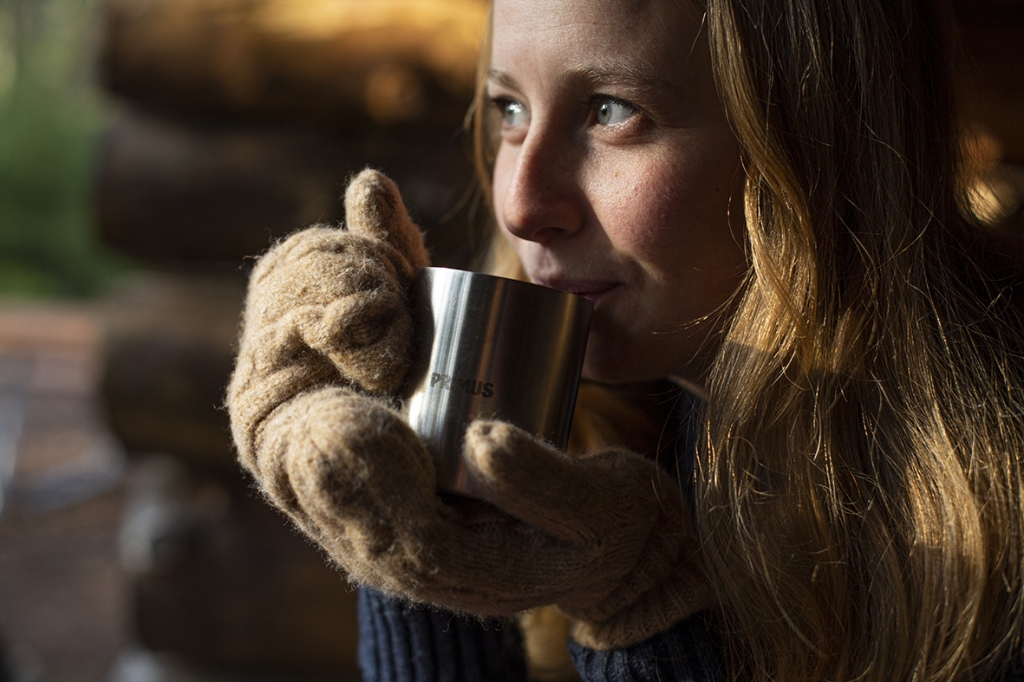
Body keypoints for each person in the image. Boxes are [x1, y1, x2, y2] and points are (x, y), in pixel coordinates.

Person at [226, 0, 1024, 679]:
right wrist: (406, 515)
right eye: (509, 109)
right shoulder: (621, 418)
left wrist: (646, 613)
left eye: (610, 111)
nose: (522, 206)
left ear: (819, 139)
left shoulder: (998, 510)